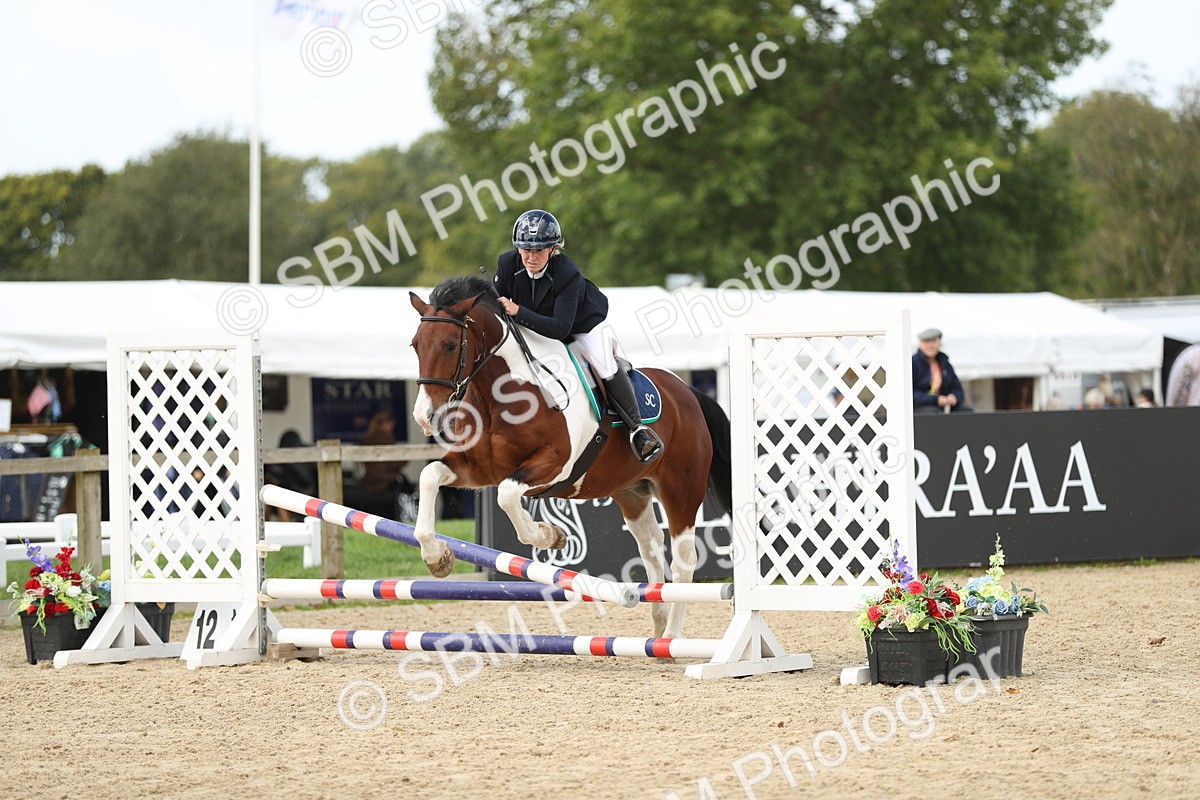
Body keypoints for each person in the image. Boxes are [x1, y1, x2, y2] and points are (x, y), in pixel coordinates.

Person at [494, 209, 663, 463]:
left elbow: (561, 328)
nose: (531, 257)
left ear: (553, 249)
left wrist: (518, 311)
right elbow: (496, 309)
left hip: (580, 325)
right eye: (526, 249)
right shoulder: (506, 264)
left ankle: (637, 430)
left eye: (539, 250)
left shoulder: (567, 272)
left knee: (604, 364)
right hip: (532, 324)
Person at [344, 410, 410, 518]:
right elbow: (399, 460)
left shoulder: (368, 437)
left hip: (368, 481)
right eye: (390, 424)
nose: (391, 427)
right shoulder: (384, 437)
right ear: (385, 423)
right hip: (384, 483)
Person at [912, 328, 969, 413]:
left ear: (939, 343)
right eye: (926, 341)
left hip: (944, 406)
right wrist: (935, 399)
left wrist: (954, 397)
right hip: (921, 408)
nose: (930, 345)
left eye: (934, 341)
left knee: (967, 411)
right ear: (920, 344)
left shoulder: (945, 363)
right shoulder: (913, 363)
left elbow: (957, 388)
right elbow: (911, 393)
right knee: (934, 412)